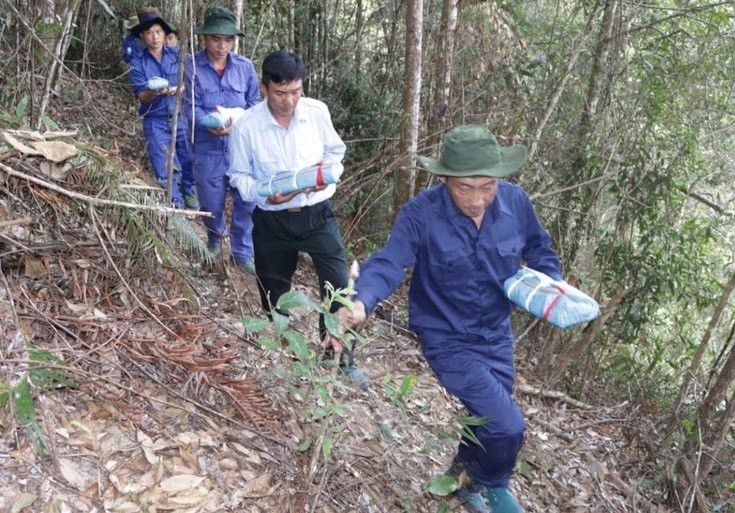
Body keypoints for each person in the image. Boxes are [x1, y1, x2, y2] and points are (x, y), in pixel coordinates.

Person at [331, 125, 564, 513]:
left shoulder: (516, 204)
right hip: (445, 337)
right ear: (444, 179)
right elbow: (388, 262)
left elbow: (540, 249)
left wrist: (554, 286)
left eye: (487, 187)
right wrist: (360, 303)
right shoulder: (421, 214)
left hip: (496, 333)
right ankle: (489, 485)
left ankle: (460, 476)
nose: (477, 200)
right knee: (508, 425)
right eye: (464, 188)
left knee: (486, 413)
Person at [228, 50, 369, 390]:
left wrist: (325, 177)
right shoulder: (246, 126)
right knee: (273, 287)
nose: (289, 100)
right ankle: (277, 352)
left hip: (317, 215)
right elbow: (238, 177)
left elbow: (336, 153)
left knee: (337, 283)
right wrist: (265, 195)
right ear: (264, 88)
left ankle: (338, 354)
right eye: (281, 93)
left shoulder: (316, 113)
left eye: (296, 91)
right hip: (272, 221)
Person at [184, 5, 259, 274]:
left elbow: (254, 104)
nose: (222, 46)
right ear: (204, 38)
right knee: (210, 200)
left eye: (228, 39)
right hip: (208, 148)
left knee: (247, 201)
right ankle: (214, 240)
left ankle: (242, 251)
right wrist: (209, 124)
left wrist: (240, 124)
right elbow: (189, 108)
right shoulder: (192, 66)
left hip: (241, 150)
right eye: (216, 38)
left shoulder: (245, 68)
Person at [128, 8, 198, 210]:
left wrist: (178, 88)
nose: (155, 37)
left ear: (164, 34)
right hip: (155, 119)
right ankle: (173, 200)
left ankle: (189, 192)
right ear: (142, 36)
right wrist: (152, 92)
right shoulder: (137, 62)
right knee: (163, 161)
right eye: (149, 33)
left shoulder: (178, 55)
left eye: (158, 32)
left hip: (182, 115)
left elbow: (191, 80)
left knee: (187, 157)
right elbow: (141, 94)